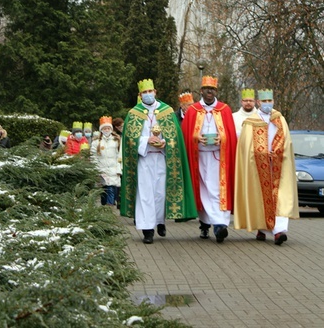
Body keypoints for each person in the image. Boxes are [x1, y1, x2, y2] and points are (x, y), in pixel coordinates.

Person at [120, 78, 197, 244]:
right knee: (145, 194)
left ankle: (160, 222)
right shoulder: (134, 114)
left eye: (150, 91)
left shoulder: (166, 111)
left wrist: (165, 142)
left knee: (160, 193)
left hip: (162, 158)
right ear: (140, 95)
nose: (148, 95)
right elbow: (129, 139)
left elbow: (175, 136)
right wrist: (146, 140)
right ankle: (148, 230)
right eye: (144, 93)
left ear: (155, 92)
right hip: (145, 159)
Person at [234, 88, 299, 245]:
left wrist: (277, 152)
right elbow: (245, 146)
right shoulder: (251, 122)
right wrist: (262, 154)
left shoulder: (279, 119)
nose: (267, 104)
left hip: (278, 164)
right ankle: (262, 228)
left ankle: (279, 231)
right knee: (260, 196)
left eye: (270, 101)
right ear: (258, 103)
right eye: (264, 101)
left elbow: (287, 141)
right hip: (258, 166)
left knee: (280, 196)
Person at [182, 75, 237, 243]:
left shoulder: (224, 109)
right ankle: (206, 222)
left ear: (216, 91)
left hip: (219, 158)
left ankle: (220, 224)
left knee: (218, 189)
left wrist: (223, 139)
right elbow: (185, 134)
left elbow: (231, 135)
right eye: (207, 89)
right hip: (199, 157)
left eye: (212, 89)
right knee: (203, 190)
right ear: (201, 91)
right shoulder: (193, 110)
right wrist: (196, 138)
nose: (209, 92)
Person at [90, 116, 122, 206]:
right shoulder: (96, 142)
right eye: (104, 128)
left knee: (111, 189)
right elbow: (93, 156)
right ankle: (104, 206)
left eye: (108, 128)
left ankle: (110, 207)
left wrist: (119, 168)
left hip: (113, 170)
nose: (107, 130)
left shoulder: (117, 140)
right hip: (102, 170)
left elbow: (119, 156)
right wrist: (96, 168)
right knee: (104, 191)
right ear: (101, 130)